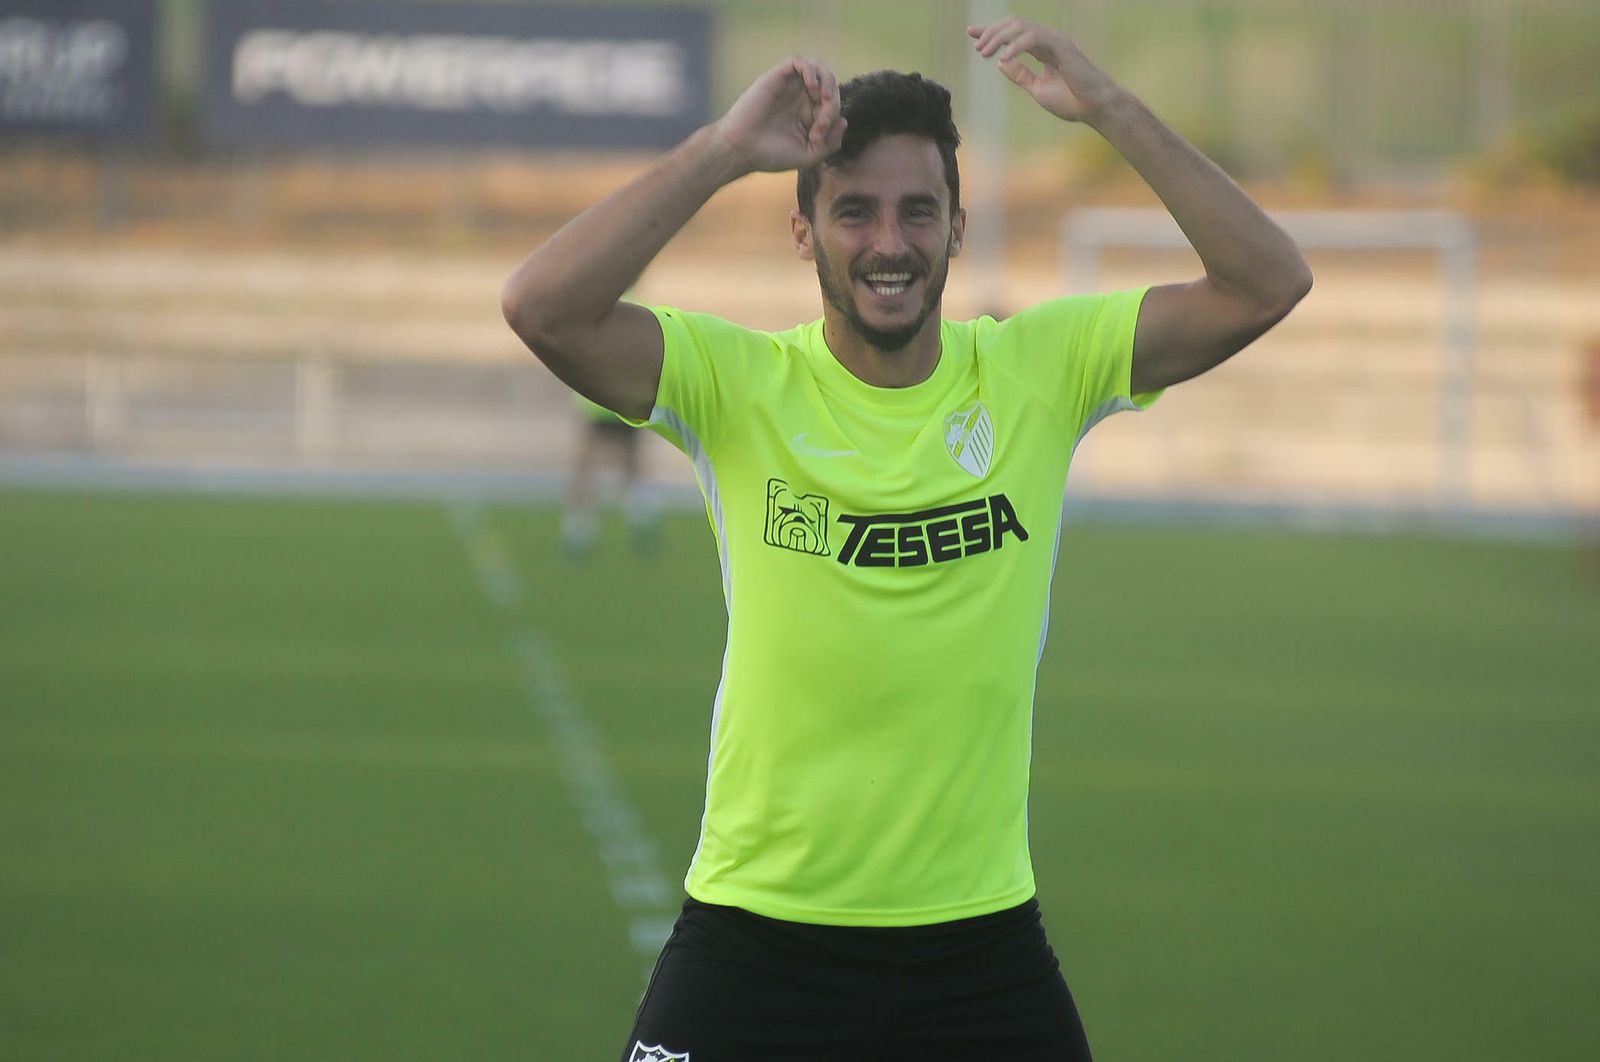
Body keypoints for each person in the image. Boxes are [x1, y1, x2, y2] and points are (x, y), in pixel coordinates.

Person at [502, 16, 1310, 1062]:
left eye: (918, 211)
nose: (889, 243)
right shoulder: (739, 384)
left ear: (956, 228)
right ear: (804, 231)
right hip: (755, 938)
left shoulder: (1038, 370)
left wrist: (1110, 109)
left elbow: (1266, 282)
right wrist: (723, 151)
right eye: (854, 211)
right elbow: (542, 307)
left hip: (978, 952)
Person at [562, 390, 660, 557]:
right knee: (626, 465)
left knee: (592, 466)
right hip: (615, 402)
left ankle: (580, 530)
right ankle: (642, 520)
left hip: (605, 401)